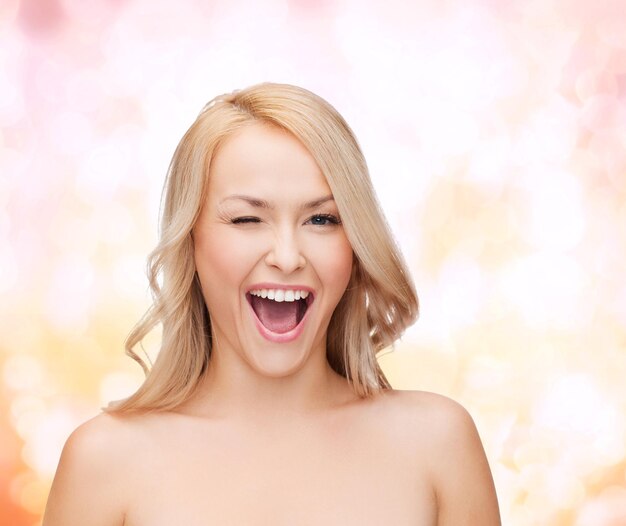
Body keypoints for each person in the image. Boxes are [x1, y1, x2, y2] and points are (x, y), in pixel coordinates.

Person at [42, 83, 501, 525]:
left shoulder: (438, 444)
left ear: (356, 244)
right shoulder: (102, 462)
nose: (286, 256)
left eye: (322, 219)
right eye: (247, 218)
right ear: (191, 242)